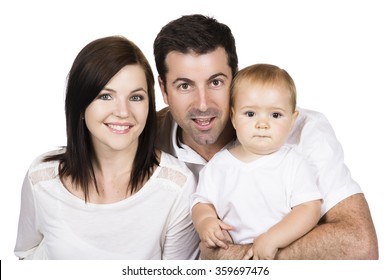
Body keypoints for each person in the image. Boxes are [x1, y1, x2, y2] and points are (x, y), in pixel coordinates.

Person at [153, 14, 378, 259]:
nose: (203, 104)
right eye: (184, 86)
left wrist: (232, 258)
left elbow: (360, 245)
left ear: (235, 78)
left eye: (216, 82)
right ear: (163, 89)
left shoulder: (301, 132)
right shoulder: (146, 138)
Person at [14, 36, 199, 260]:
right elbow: (25, 255)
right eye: (106, 96)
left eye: (136, 97)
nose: (123, 111)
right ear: (81, 105)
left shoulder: (177, 186)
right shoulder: (42, 178)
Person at [192, 63, 323, 260]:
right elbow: (202, 202)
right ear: (234, 118)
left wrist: (272, 238)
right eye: (250, 114)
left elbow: (309, 209)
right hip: (232, 257)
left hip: (281, 251)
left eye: (276, 115)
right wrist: (206, 221)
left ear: (292, 121)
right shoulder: (218, 165)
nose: (262, 124)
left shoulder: (294, 163)